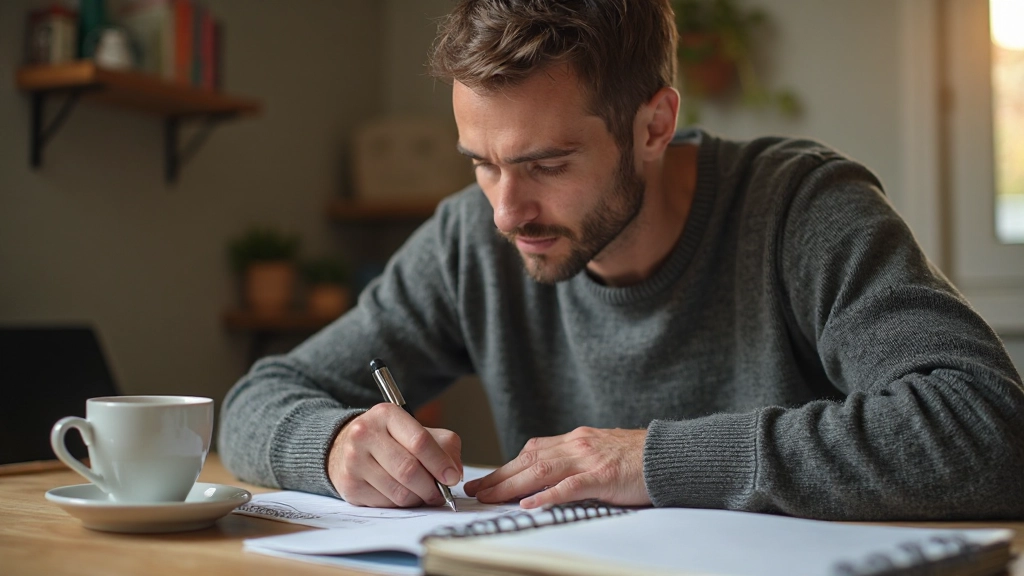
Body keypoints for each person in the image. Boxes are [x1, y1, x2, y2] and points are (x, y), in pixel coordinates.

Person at [219, 0, 1024, 520]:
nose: (506, 210)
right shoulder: (472, 241)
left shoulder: (800, 210)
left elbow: (989, 428)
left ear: (652, 125)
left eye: (546, 164)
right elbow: (260, 398)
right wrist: (334, 447)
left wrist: (652, 459)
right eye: (482, 161)